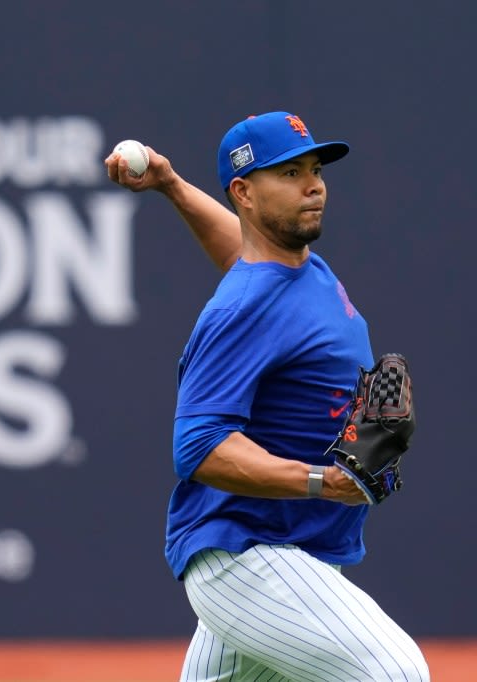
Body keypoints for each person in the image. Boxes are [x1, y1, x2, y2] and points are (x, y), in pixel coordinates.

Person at [105, 111, 430, 682]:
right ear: (244, 192)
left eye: (315, 169)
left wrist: (172, 186)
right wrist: (321, 481)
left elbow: (244, 251)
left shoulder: (294, 268)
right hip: (247, 555)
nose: (313, 184)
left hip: (280, 547)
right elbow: (199, 449)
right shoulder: (240, 309)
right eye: (289, 173)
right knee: (395, 674)